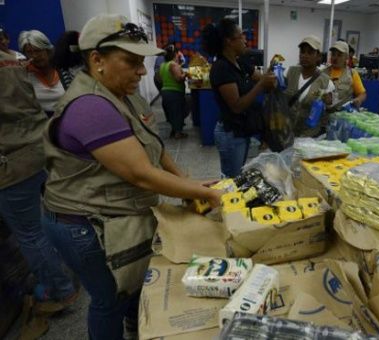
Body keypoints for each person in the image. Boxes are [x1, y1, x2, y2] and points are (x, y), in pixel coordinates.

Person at [41, 14, 222, 340]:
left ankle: (136, 328)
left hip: (114, 212)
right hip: (84, 224)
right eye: (131, 61)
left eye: (142, 62)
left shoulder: (125, 94)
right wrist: (206, 194)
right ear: (97, 60)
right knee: (108, 300)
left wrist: (187, 182)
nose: (141, 71)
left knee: (133, 290)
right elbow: (140, 173)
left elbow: (153, 145)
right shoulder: (90, 107)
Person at [0, 37, 78, 314]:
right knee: (49, 218)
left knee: (30, 233)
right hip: (37, 147)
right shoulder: (16, 61)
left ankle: (60, 290)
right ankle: (70, 270)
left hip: (10, 159)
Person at [202, 18, 276, 178]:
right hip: (230, 133)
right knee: (231, 179)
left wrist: (270, 73)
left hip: (242, 130)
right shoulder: (221, 68)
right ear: (229, 41)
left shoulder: (239, 62)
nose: (245, 39)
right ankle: (225, 202)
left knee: (238, 174)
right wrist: (261, 85)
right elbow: (236, 106)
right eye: (241, 35)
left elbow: (259, 77)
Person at [284, 35, 334, 137]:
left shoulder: (326, 82)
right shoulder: (289, 72)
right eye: (302, 51)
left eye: (310, 52)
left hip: (309, 137)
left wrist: (328, 102)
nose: (305, 55)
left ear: (318, 56)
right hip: (287, 132)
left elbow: (330, 107)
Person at [19, 30, 65, 116]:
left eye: (38, 51)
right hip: (41, 124)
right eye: (29, 52)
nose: (34, 56)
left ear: (47, 50)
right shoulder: (25, 75)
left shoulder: (63, 70)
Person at [325, 40, 367, 111]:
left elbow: (362, 94)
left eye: (339, 55)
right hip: (324, 116)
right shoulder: (323, 73)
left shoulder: (352, 73)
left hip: (342, 116)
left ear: (346, 57)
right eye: (333, 54)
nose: (335, 58)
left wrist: (358, 99)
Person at [160, 44, 188, 139]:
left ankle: (174, 130)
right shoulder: (173, 64)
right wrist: (186, 74)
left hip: (165, 92)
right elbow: (179, 79)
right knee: (178, 111)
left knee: (171, 112)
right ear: (175, 54)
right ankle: (178, 133)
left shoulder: (163, 65)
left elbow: (160, 79)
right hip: (174, 92)